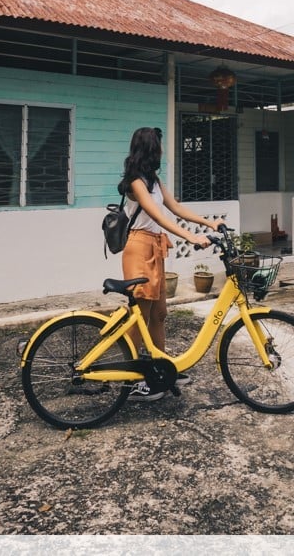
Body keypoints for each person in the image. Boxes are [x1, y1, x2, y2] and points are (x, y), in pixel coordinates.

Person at [118, 126, 218, 401]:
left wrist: (208, 223)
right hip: (139, 248)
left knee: (159, 314)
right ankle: (132, 379)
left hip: (155, 247)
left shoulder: (153, 180)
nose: (162, 152)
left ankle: (161, 369)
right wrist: (191, 237)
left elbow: (175, 207)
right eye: (159, 147)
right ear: (150, 149)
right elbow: (158, 217)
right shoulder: (135, 181)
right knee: (140, 317)